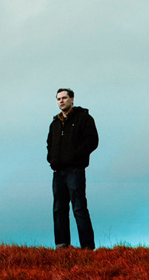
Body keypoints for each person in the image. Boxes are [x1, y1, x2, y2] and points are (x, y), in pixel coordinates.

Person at [46, 88, 98, 250]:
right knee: (59, 209)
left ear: (72, 99)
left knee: (79, 207)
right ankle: (62, 245)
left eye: (64, 98)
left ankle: (87, 247)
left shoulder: (84, 118)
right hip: (58, 172)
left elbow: (92, 141)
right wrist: (52, 160)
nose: (61, 101)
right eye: (58, 99)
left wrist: (74, 157)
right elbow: (49, 144)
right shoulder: (54, 123)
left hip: (75, 170)